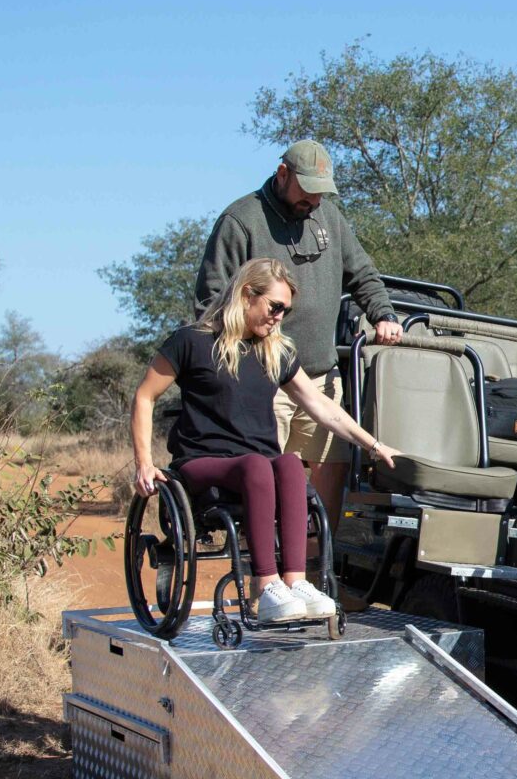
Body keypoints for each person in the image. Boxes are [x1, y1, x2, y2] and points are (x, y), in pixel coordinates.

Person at [133, 258, 399, 624]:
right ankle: (267, 582)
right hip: (200, 464)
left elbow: (321, 405)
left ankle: (296, 582)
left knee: (288, 462)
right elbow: (144, 396)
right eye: (275, 307)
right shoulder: (191, 341)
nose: (279, 317)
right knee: (259, 464)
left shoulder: (275, 350)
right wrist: (144, 463)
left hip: (253, 467)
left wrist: (374, 445)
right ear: (246, 295)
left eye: (285, 311)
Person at [196, 139, 403, 519]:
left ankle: (311, 572)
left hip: (321, 377)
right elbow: (211, 300)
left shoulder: (330, 219)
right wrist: (245, 357)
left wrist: (383, 314)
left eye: (322, 193)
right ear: (282, 174)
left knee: (332, 469)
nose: (315, 201)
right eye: (307, 190)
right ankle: (267, 571)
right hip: (263, 376)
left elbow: (363, 274)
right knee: (265, 482)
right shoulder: (240, 220)